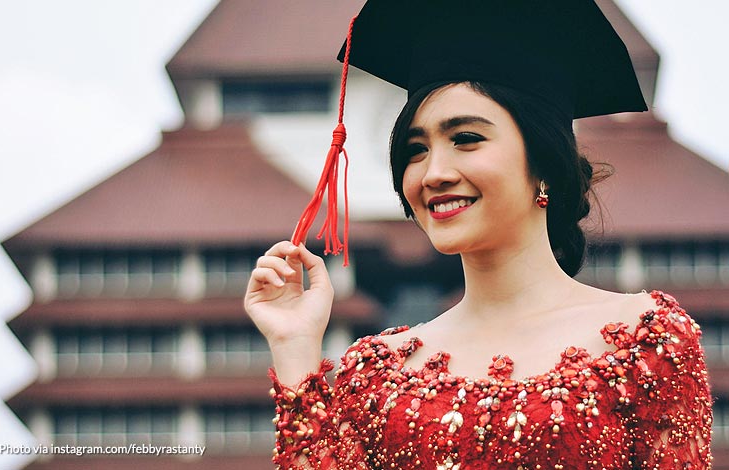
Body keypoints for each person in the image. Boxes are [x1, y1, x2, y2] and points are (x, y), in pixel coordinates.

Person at [244, 0, 713, 468]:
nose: (434, 173)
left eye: (466, 139)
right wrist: (294, 347)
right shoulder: (374, 372)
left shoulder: (646, 342)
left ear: (545, 164)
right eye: (415, 149)